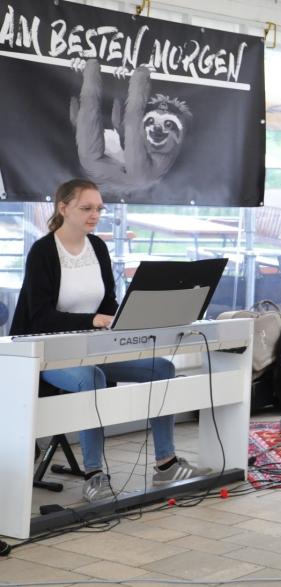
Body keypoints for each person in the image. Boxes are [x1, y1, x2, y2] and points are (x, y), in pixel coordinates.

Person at [10, 179, 212, 503]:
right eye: (86, 208)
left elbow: (108, 307)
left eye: (99, 208)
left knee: (162, 369)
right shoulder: (43, 252)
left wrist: (132, 316)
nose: (95, 214)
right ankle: (94, 475)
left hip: (95, 349)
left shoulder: (98, 248)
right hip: (48, 354)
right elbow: (39, 320)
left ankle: (166, 464)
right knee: (93, 377)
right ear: (63, 208)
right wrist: (92, 320)